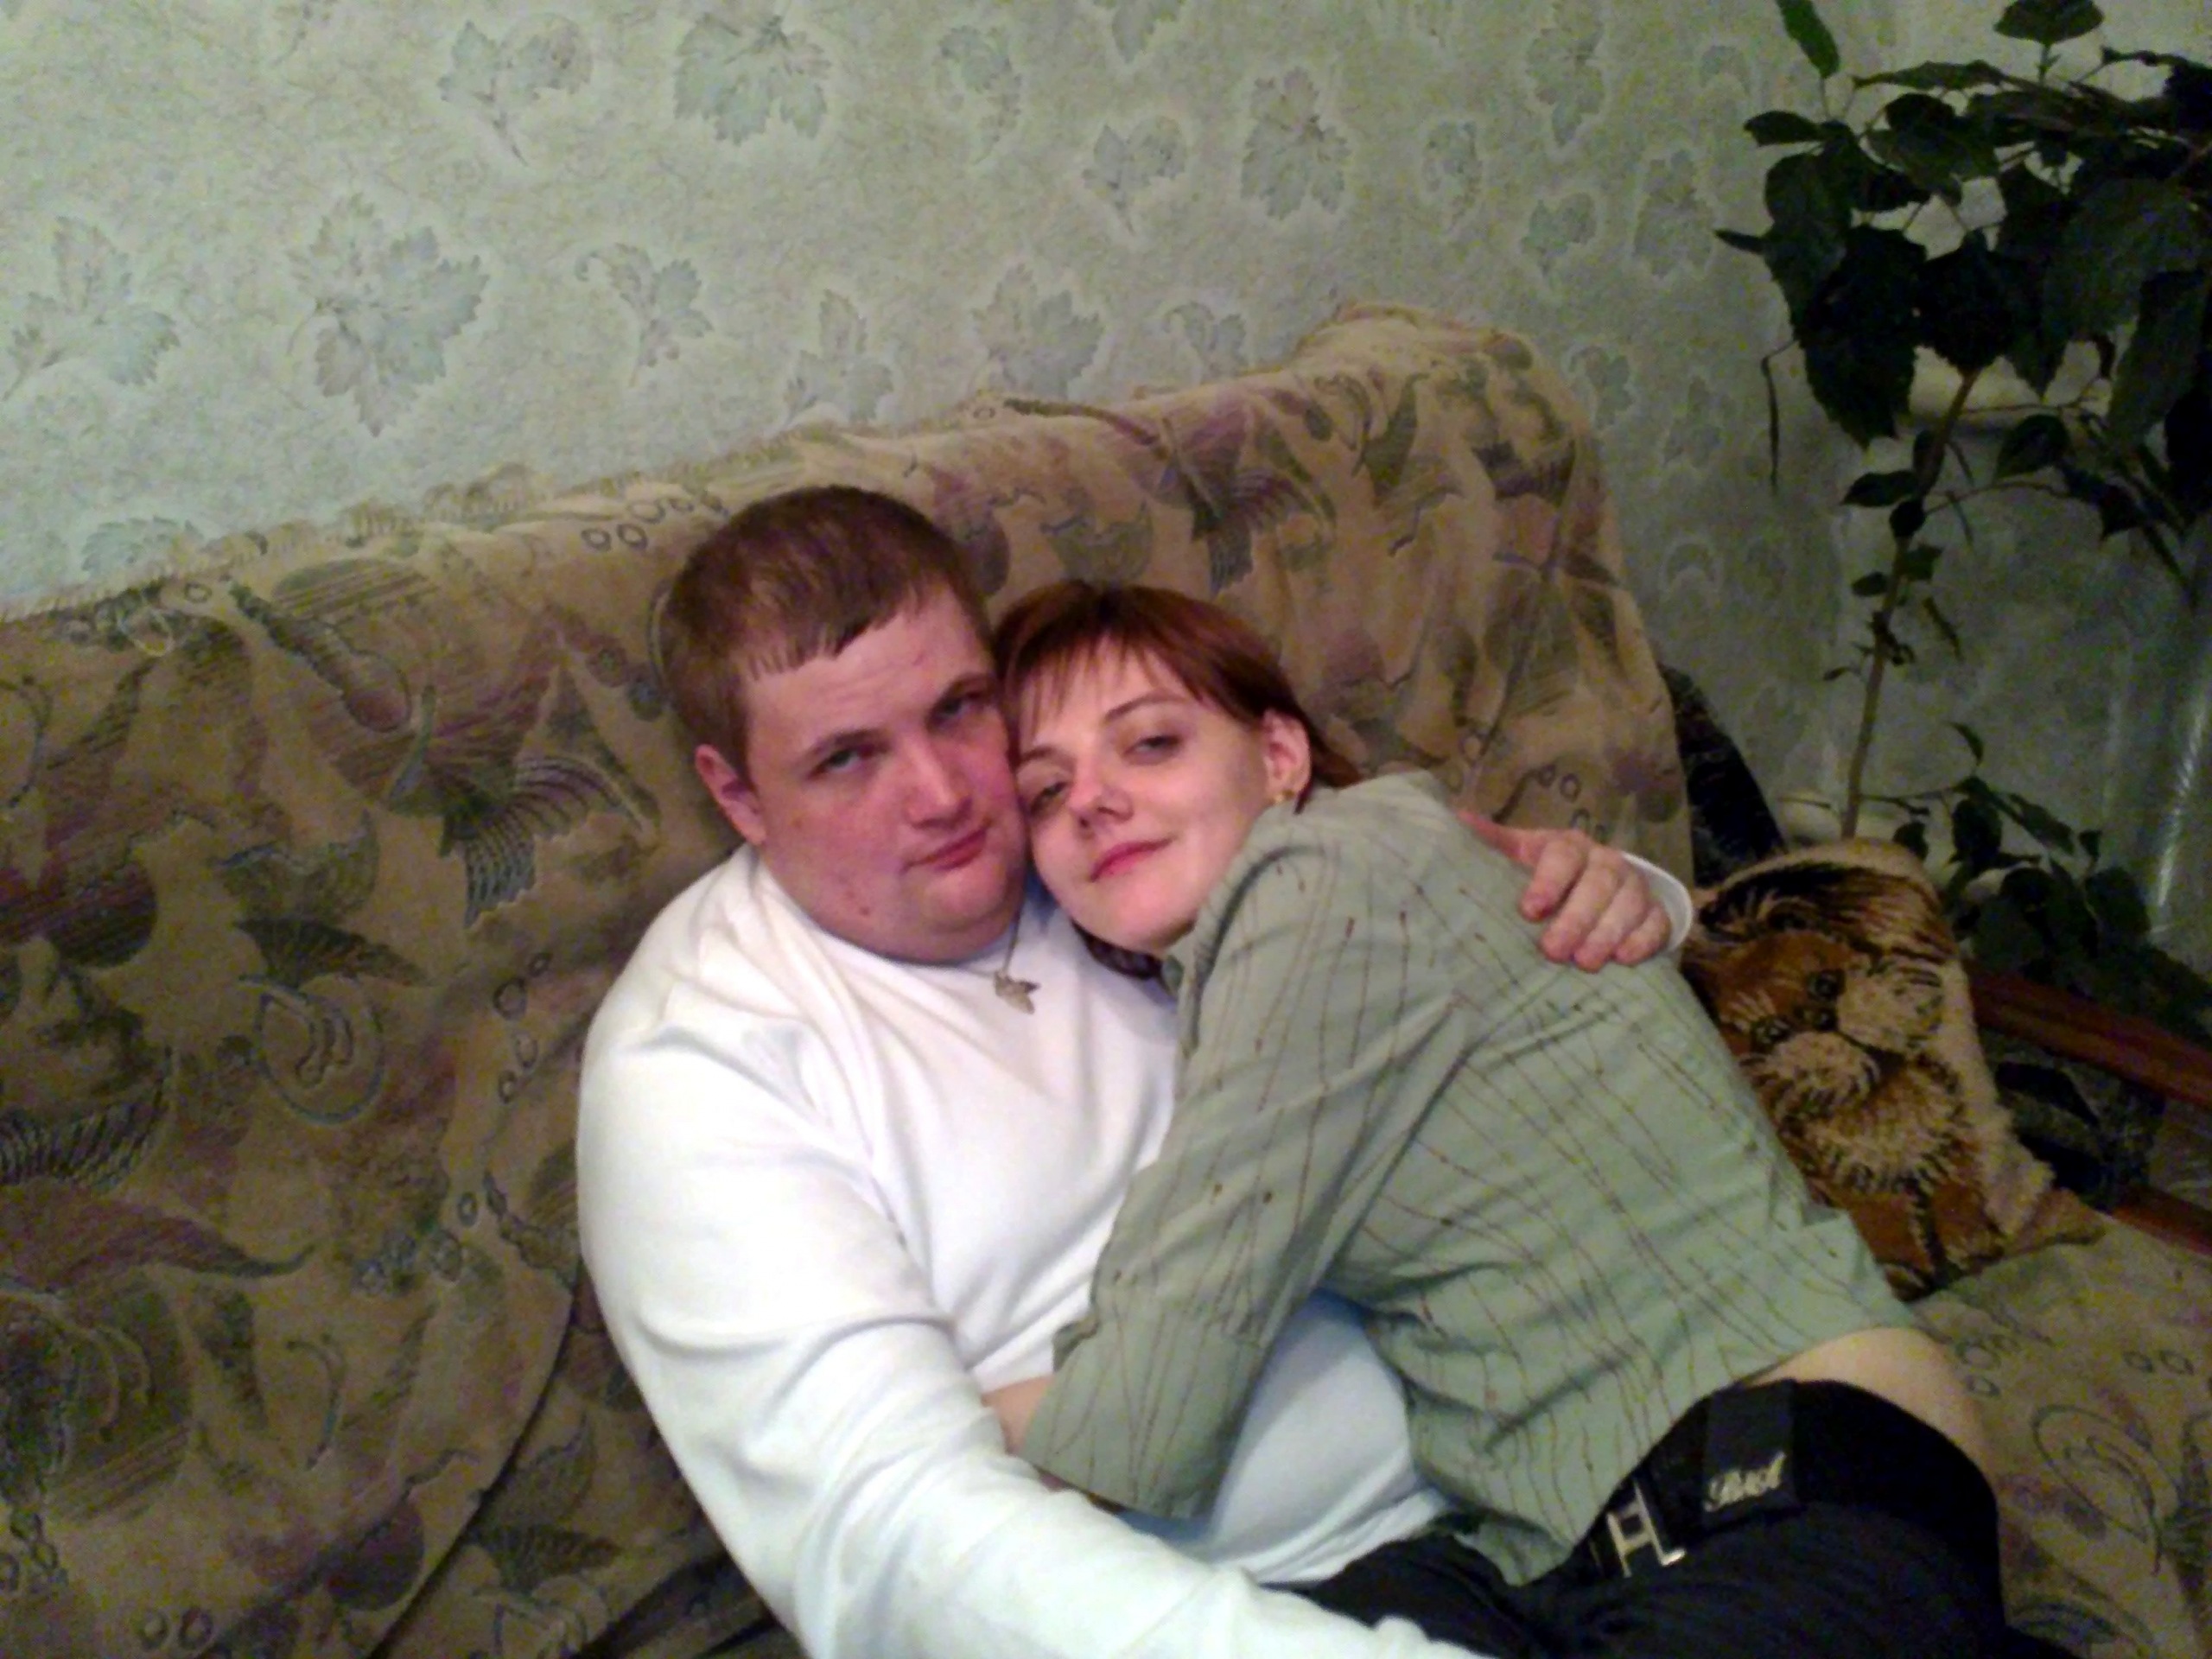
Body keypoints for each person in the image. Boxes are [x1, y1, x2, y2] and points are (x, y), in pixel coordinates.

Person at [576, 486, 1682, 1659]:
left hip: (1565, 1478)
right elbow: (895, 1540)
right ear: (737, 794)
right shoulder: (701, 1065)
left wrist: (1613, 896)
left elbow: (1425, 939)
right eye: (847, 759)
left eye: (960, 709)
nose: (944, 796)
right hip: (1281, 1607)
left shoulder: (1099, 841)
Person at [985, 579, 2018, 1659]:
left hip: (1789, 1483)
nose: (1089, 800)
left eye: (1150, 743)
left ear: (1280, 756)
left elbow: (1146, 1400)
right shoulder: (1291, 921)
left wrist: (908, 1431)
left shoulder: (1318, 880)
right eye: (1045, 793)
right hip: (1548, 1552)